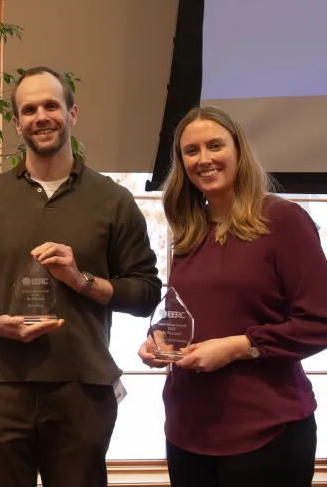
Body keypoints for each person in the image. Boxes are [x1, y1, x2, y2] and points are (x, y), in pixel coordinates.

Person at [0, 66, 161, 487]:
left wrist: (81, 279)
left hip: (83, 385)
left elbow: (145, 293)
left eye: (51, 105)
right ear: (17, 122)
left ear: (73, 114)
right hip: (1, 383)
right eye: (29, 109)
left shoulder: (113, 201)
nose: (41, 116)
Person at [138, 106, 327, 487]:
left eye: (215, 146)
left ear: (239, 152)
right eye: (191, 151)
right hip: (188, 431)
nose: (204, 159)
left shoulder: (284, 221)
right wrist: (159, 337)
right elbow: (189, 311)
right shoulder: (191, 231)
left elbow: (320, 322)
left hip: (265, 432)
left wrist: (239, 346)